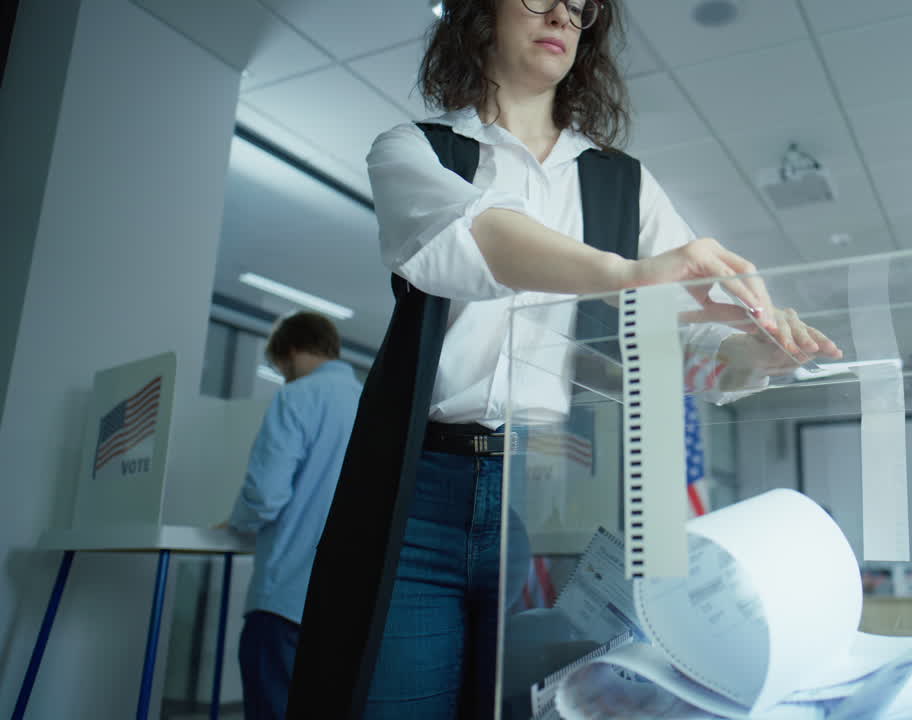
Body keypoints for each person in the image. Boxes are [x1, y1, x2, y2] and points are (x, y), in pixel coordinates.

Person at [286, 1, 839, 718]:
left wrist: (754, 348)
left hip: (551, 493)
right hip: (422, 493)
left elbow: (687, 339)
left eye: (581, 6)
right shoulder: (414, 150)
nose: (561, 14)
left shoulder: (623, 184)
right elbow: (479, 241)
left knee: (539, 706)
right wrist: (630, 272)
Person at [222, 311, 362, 720]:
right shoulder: (373, 403)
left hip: (286, 599)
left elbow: (265, 495)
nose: (282, 375)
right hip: (351, 604)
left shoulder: (296, 397)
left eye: (279, 366)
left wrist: (237, 522)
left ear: (293, 352)